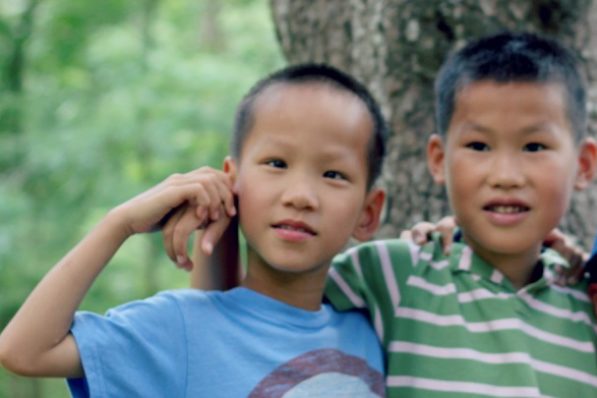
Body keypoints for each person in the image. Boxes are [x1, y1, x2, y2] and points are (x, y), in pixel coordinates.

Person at [0, 64, 390, 397]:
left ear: (368, 214)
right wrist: (119, 223)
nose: (301, 196)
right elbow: (23, 351)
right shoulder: (183, 329)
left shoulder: (375, 327)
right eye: (276, 163)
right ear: (232, 181)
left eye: (333, 174)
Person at [325, 31, 597, 397]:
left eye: (534, 146)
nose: (505, 176)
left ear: (582, 165)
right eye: (478, 145)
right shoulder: (397, 275)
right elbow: (256, 306)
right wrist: (222, 209)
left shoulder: (587, 305)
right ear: (439, 160)